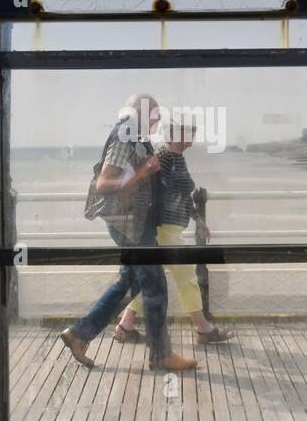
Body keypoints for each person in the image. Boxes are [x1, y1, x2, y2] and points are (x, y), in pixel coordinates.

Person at [59, 94, 199, 372]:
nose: (158, 121)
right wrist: (144, 170)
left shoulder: (134, 134)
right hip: (130, 224)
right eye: (155, 114)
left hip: (134, 222)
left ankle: (79, 334)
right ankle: (160, 354)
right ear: (141, 112)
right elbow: (104, 183)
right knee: (155, 284)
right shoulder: (126, 134)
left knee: (130, 282)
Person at [114, 111, 233, 345]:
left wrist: (198, 220)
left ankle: (125, 326)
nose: (194, 132)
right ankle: (203, 329)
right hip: (164, 229)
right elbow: (153, 191)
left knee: (151, 277)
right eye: (190, 129)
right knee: (187, 276)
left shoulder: (176, 158)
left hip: (171, 228)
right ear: (176, 134)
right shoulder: (165, 157)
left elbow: (183, 195)